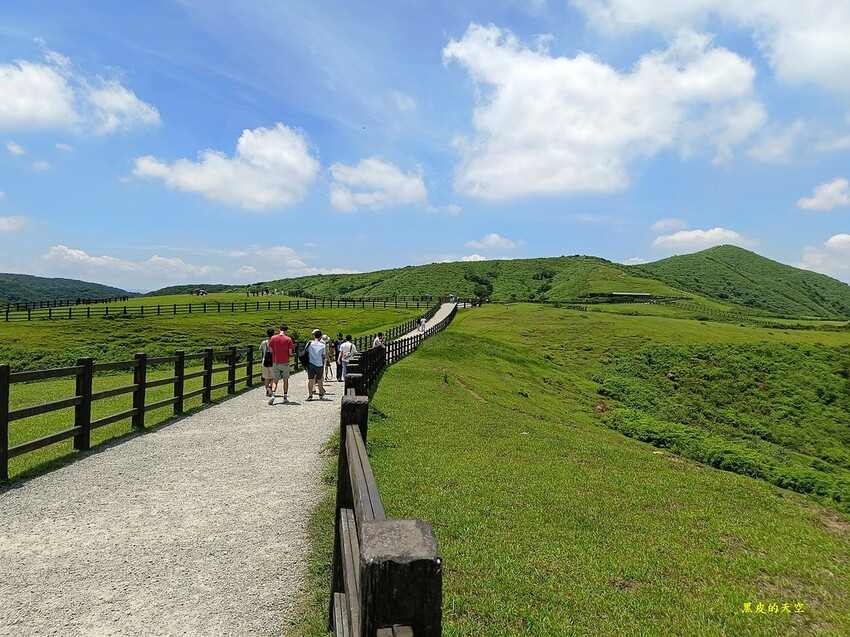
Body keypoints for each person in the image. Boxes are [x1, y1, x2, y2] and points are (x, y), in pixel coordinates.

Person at [268, 324, 293, 405]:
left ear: (279, 329)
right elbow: (290, 352)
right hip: (285, 362)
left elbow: (270, 350)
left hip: (276, 361)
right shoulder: (288, 339)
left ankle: (273, 395)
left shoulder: (273, 338)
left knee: (275, 380)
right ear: (286, 330)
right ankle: (285, 397)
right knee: (285, 380)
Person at [305, 329, 326, 401]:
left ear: (314, 336)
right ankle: (320, 394)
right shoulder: (323, 345)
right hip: (319, 364)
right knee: (319, 379)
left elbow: (306, 352)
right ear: (320, 337)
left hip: (311, 363)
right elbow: (323, 355)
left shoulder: (310, 343)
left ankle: (310, 395)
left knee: (311, 380)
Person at [259, 328, 274, 396]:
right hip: (273, 362)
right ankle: (270, 387)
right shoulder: (274, 342)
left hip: (265, 361)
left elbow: (260, 349)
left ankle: (267, 390)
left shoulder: (264, 342)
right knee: (275, 377)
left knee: (266, 377)